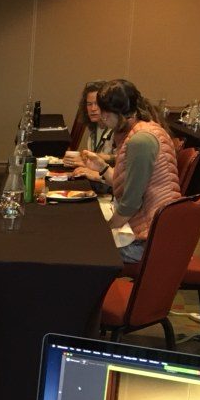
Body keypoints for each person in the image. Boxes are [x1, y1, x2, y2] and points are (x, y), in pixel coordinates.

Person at [76, 79, 180, 263]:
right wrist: (103, 168)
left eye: (104, 112)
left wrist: (105, 230)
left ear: (113, 112)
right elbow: (130, 183)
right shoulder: (144, 130)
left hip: (150, 241)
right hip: (155, 229)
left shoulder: (141, 140)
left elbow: (130, 204)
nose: (102, 117)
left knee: (82, 247)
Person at [66, 81, 114, 174]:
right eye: (89, 104)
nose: (93, 108)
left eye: (97, 104)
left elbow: (119, 161)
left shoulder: (116, 130)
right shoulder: (93, 129)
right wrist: (80, 161)